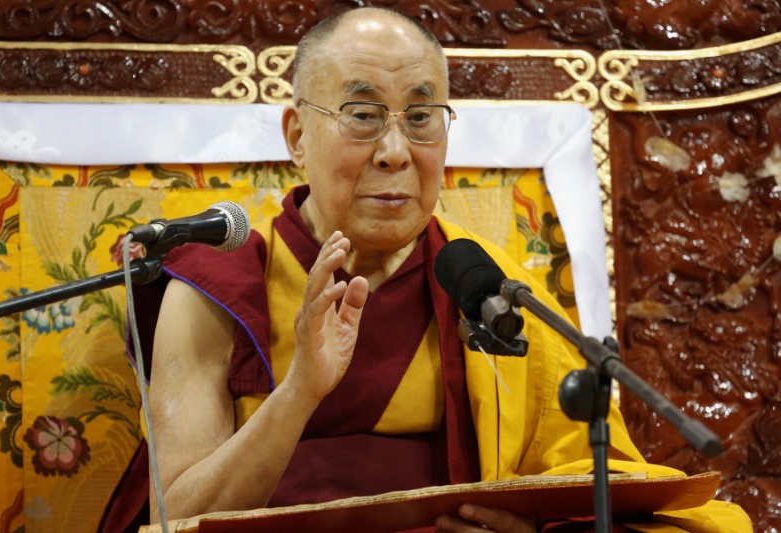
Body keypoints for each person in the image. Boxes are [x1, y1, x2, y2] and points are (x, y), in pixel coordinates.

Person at [98, 7, 750, 533]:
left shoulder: (487, 285)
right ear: (297, 134)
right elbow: (176, 517)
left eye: (420, 117)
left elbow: (580, 480)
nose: (394, 151)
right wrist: (299, 391)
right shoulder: (218, 282)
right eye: (361, 116)